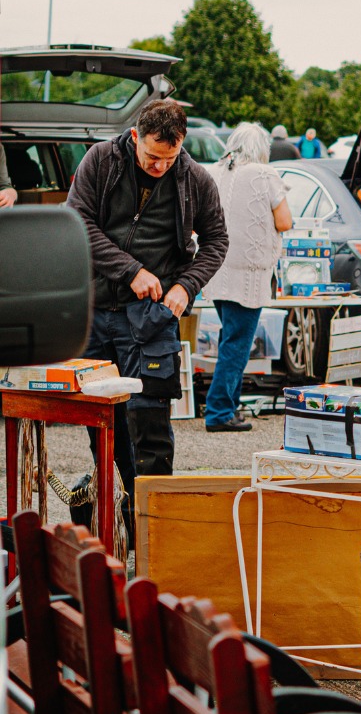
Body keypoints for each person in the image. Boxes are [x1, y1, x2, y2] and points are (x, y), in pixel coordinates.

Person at [65, 100, 229, 520]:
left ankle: (156, 526)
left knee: (151, 425)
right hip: (97, 311)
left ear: (182, 145)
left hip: (153, 319)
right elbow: (77, 222)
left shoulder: (195, 178)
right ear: (135, 137)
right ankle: (119, 519)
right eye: (153, 157)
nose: (160, 166)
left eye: (169, 158)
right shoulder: (100, 160)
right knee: (104, 423)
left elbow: (216, 242)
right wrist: (131, 270)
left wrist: (186, 286)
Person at [201, 124, 293, 432]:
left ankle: (229, 406)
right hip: (248, 274)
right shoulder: (265, 175)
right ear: (262, 148)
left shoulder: (215, 172)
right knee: (236, 345)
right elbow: (284, 221)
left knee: (230, 339)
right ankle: (219, 411)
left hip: (216, 270)